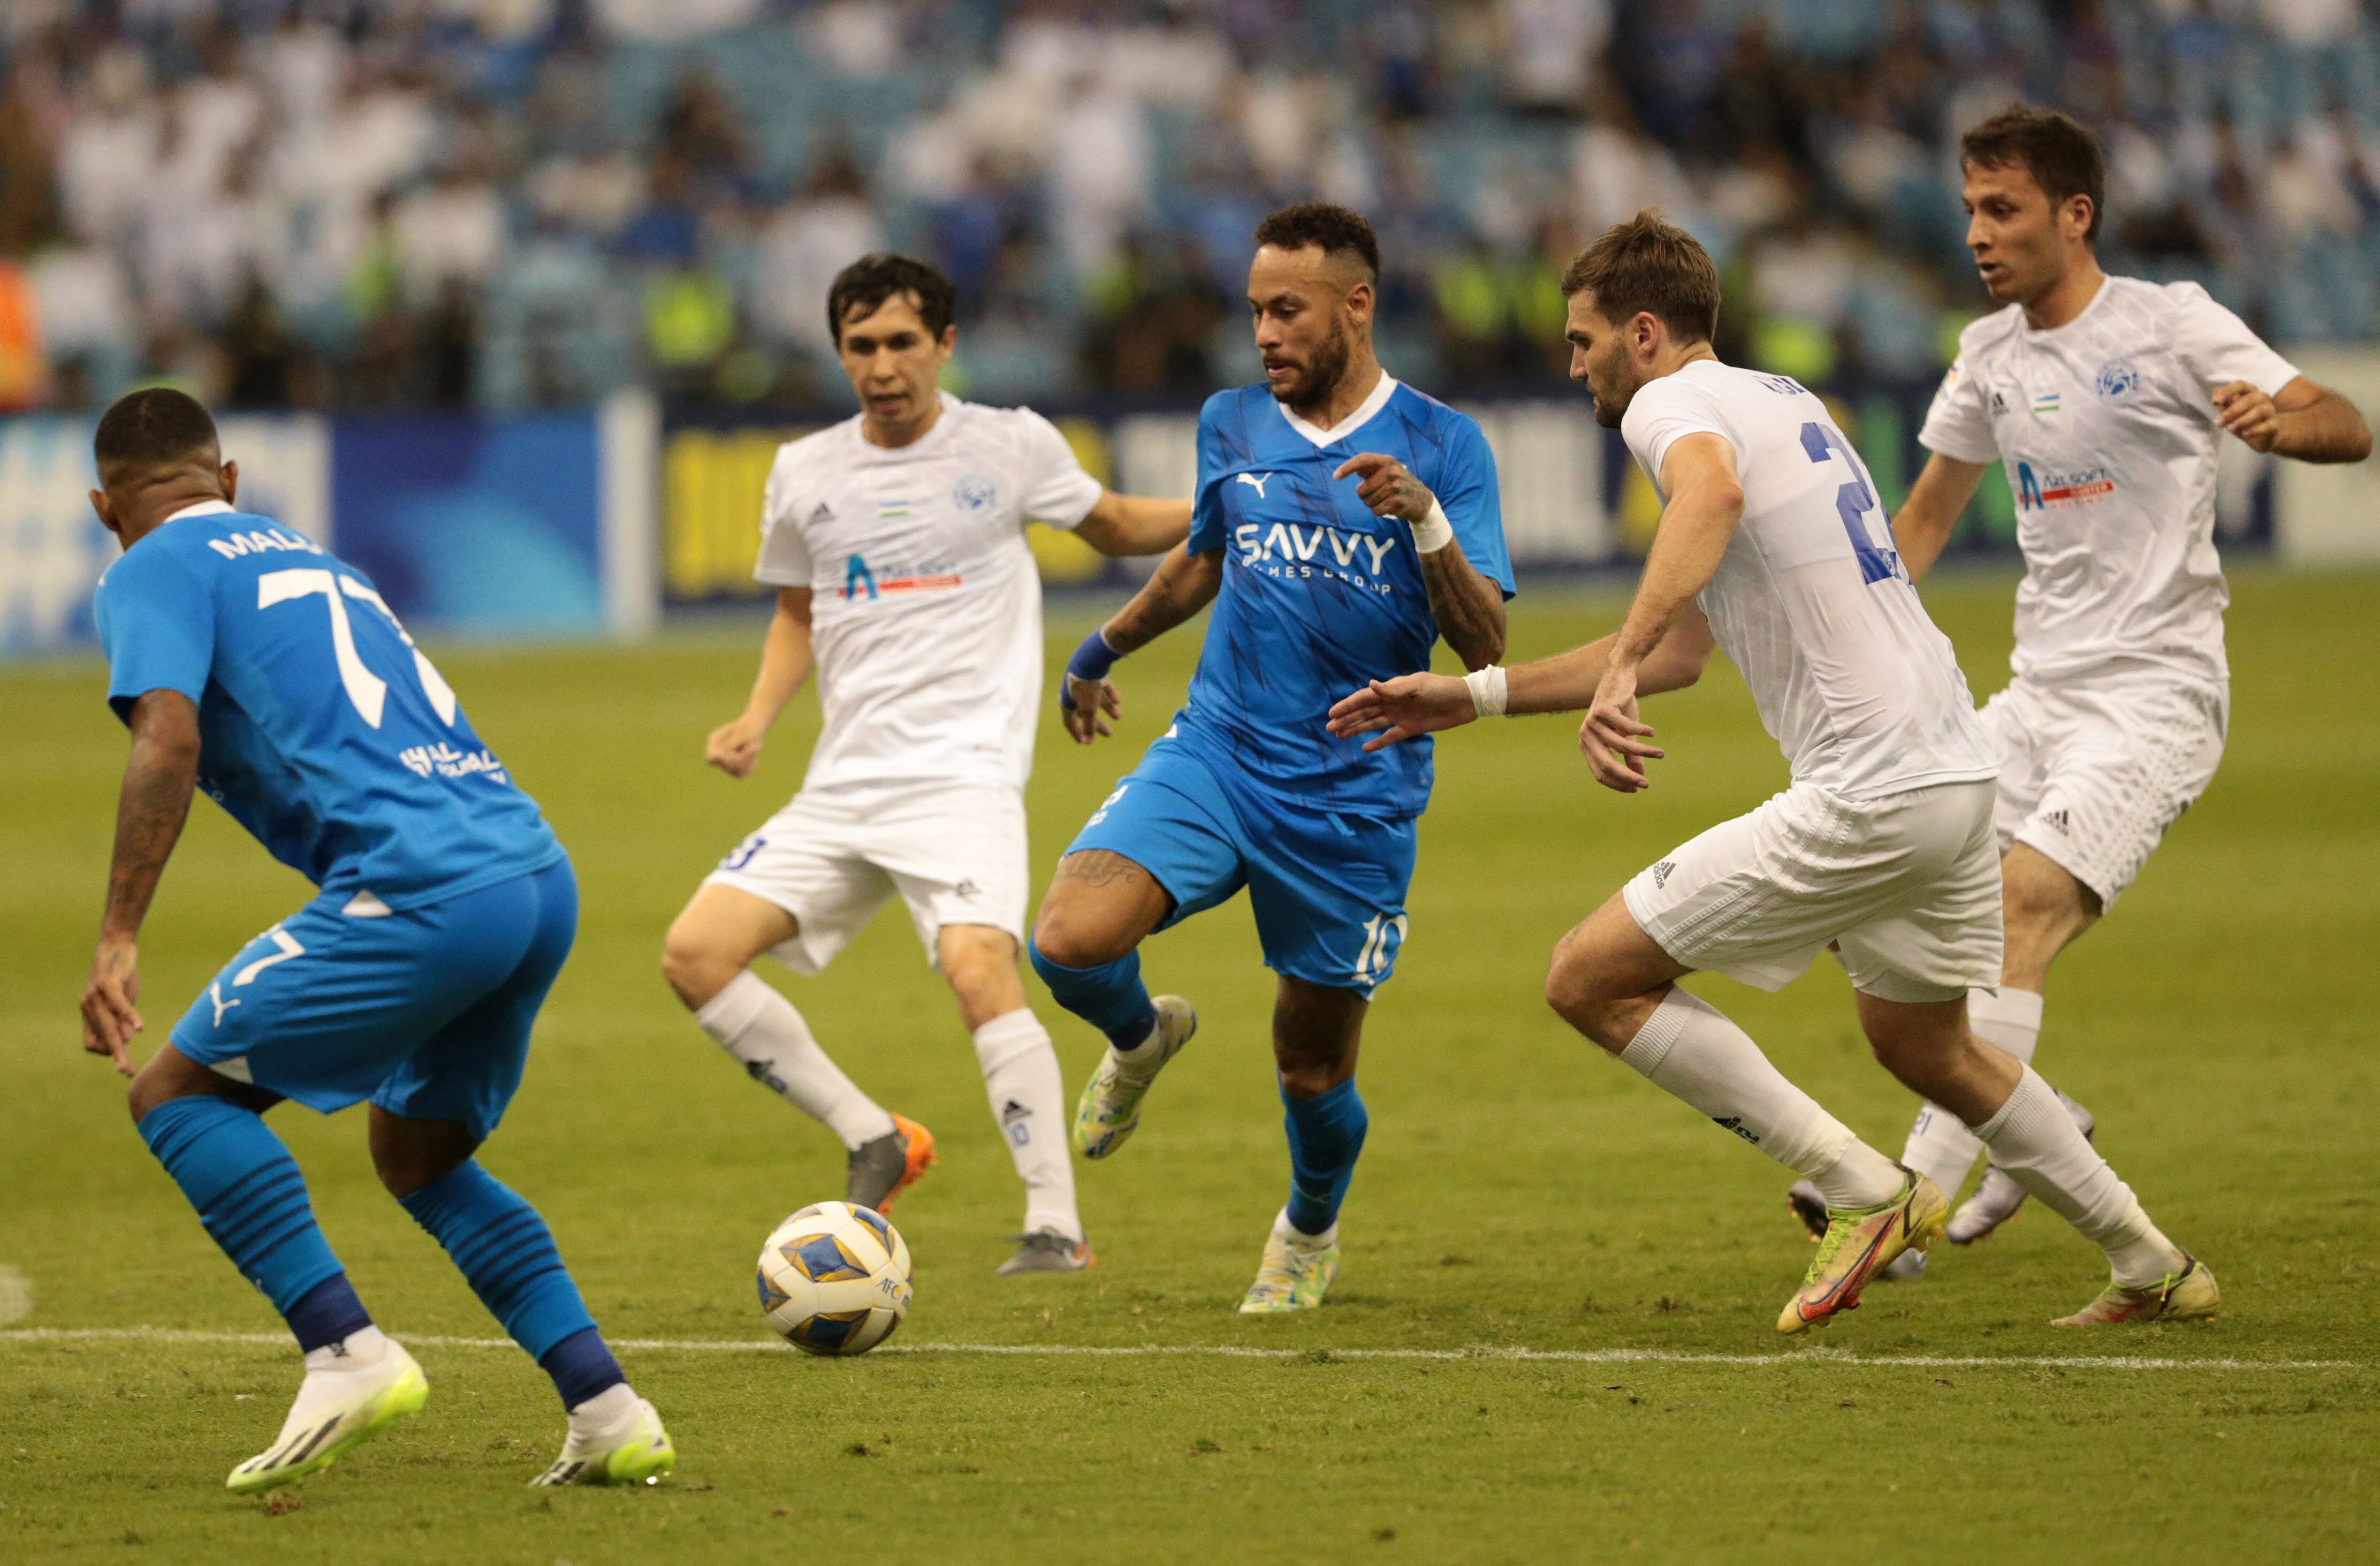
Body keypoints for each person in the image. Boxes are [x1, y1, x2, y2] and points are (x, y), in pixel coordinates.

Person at [1328, 210, 2214, 1331]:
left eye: (1583, 339)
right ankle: (2152, 1261)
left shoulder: (1666, 407)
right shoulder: (1785, 404)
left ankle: (1861, 1189)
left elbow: (1707, 503)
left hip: (1872, 786)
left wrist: (1619, 671)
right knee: (1926, 1044)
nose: (1572, 364)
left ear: (1644, 333)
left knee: (1587, 976)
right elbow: (1687, 648)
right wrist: (1474, 694)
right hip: (1955, 773)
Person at [77, 389, 671, 1493]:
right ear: (233, 480)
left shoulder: (149, 565)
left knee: (176, 1094)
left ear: (107, 505)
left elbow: (167, 735)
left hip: (419, 888)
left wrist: (118, 934)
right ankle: (608, 1406)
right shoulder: (311, 557)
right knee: (419, 1153)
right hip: (532, 873)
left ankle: (345, 1349)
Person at [1820, 104, 2372, 1271]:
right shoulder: (1987, 357)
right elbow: (1923, 515)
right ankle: (2033, 1119)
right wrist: (1845, 633)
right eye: (1970, 208)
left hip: (2154, 696)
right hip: (2036, 695)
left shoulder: (2171, 321)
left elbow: (2348, 420)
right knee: (1875, 888)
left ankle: (1910, 1200)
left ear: (2076, 215)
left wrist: (2280, 426)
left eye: (2003, 209)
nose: (1977, 232)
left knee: (2018, 905)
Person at [658, 254, 1190, 1276]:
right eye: (862, 346)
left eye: (903, 342)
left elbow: (1116, 525)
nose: (883, 365)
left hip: (962, 775)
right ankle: (875, 1136)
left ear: (945, 345)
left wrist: (1231, 502)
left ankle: (1054, 1225)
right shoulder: (803, 469)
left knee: (977, 964)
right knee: (694, 953)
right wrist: (757, 717)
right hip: (843, 784)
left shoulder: (1010, 443)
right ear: (839, 353)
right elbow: (796, 610)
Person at [1028, 202, 1514, 1314]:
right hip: (1219, 751)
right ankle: (1140, 1033)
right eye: (1253, 311)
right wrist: (1100, 648)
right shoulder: (1232, 422)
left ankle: (1307, 1225)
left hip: (1353, 792)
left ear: (1357, 305)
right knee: (1064, 940)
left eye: (1286, 310)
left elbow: (1484, 643)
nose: (1263, 333)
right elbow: (1202, 562)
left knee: (1310, 1066)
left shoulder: (1444, 445)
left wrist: (1427, 522)